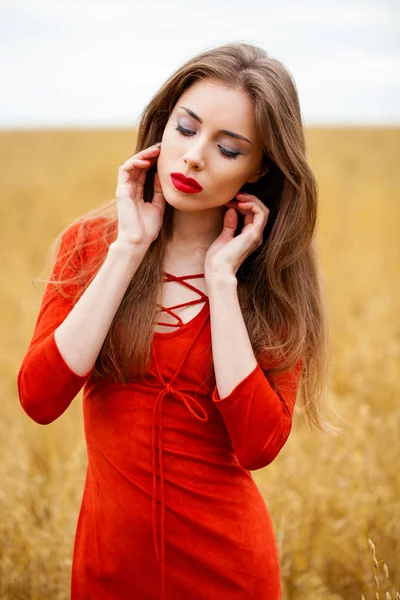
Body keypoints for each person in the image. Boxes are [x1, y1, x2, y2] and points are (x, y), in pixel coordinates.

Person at [17, 41, 335, 600]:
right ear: (163, 123)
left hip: (229, 572)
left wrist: (221, 280)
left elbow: (258, 446)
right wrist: (128, 248)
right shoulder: (91, 245)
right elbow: (40, 399)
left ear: (260, 166)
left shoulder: (271, 281)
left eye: (228, 149)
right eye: (185, 129)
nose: (193, 157)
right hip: (108, 571)